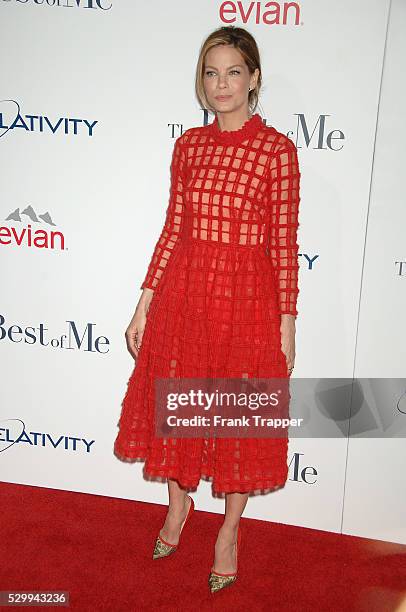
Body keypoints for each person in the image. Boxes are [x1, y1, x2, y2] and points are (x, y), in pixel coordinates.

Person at [114, 25, 301, 593]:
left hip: (247, 300)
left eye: (233, 72)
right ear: (203, 82)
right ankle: (178, 507)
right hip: (186, 295)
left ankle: (230, 531)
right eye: (211, 73)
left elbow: (284, 245)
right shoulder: (188, 147)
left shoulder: (277, 151)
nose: (221, 84)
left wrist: (286, 324)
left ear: (254, 78)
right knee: (182, 402)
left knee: (238, 416)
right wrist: (144, 303)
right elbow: (173, 229)